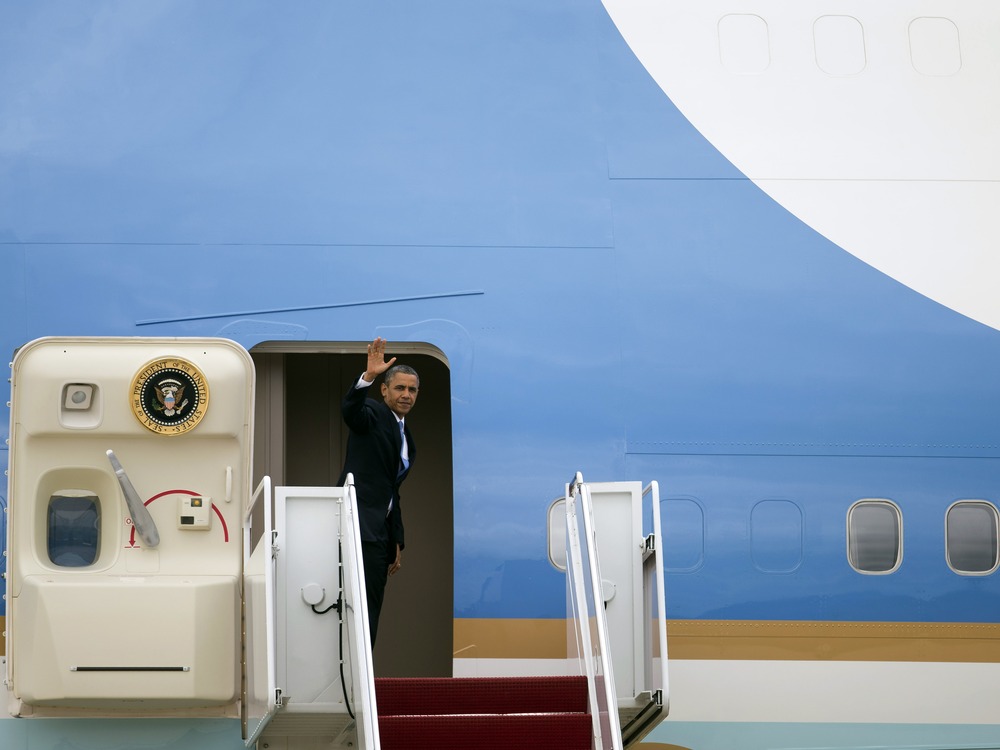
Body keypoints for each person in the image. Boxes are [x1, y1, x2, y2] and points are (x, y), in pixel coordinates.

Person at [337, 337, 419, 644]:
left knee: (371, 607)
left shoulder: (406, 436)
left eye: (412, 390)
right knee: (352, 607)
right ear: (385, 390)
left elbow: (392, 490)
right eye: (399, 388)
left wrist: (396, 537)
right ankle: (356, 682)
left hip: (379, 534)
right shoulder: (371, 414)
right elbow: (351, 410)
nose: (406, 395)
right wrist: (368, 377)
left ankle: (365, 675)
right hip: (355, 525)